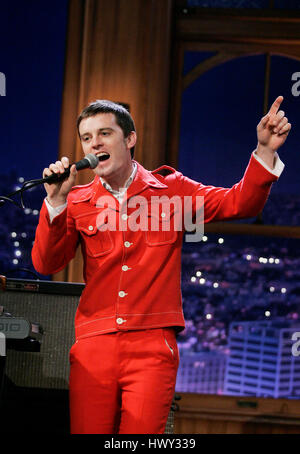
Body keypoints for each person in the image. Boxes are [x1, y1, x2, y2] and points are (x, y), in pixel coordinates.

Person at [31, 96, 291, 434]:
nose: (94, 143)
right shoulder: (77, 201)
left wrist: (266, 151)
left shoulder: (172, 190)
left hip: (152, 348)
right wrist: (55, 201)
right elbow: (46, 261)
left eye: (104, 133)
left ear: (129, 139)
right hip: (94, 346)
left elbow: (239, 203)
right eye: (86, 137)